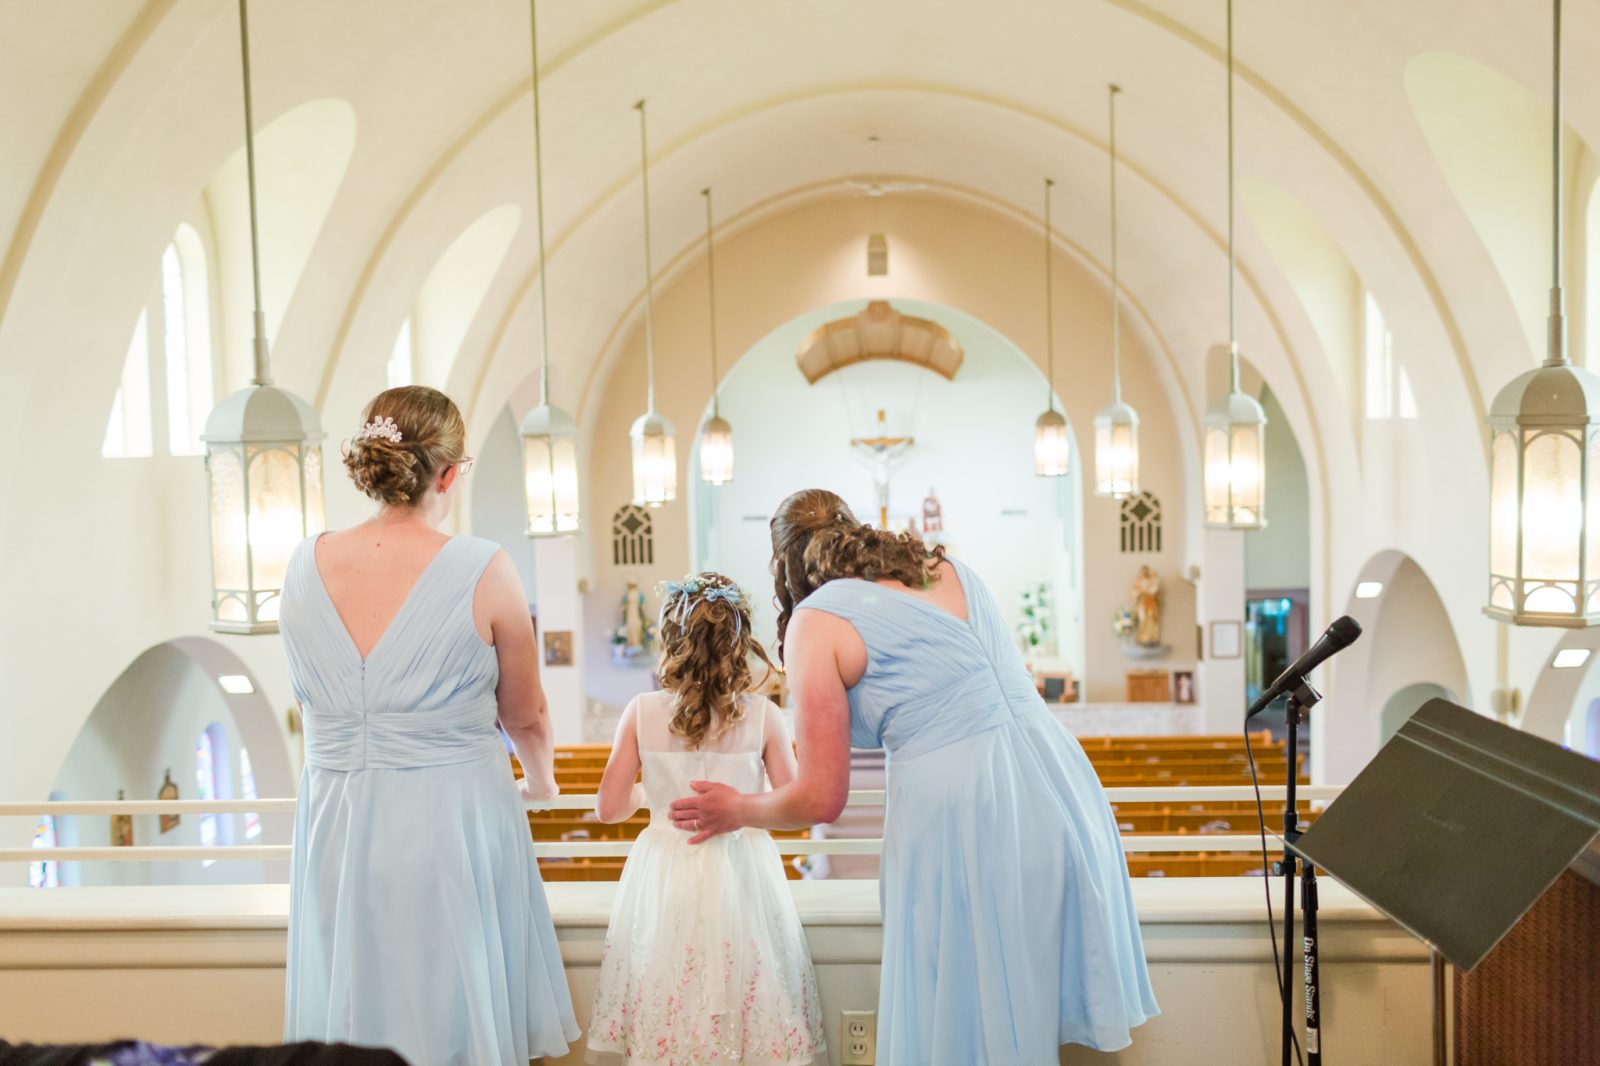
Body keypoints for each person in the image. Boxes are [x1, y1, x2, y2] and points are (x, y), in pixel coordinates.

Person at [669, 489, 1158, 1065]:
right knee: (1026, 1002)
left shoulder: (816, 621)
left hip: (966, 809)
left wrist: (737, 809)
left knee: (971, 1020)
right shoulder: (945, 568)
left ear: (785, 564)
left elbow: (822, 797)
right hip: (1062, 788)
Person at [278, 386, 578, 1066]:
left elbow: (307, 699)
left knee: (354, 1003)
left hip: (335, 825)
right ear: (448, 473)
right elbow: (525, 714)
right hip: (451, 821)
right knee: (449, 1004)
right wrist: (543, 782)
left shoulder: (301, 566)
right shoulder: (483, 567)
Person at [587, 573, 825, 1065]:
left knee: (670, 995)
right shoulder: (763, 715)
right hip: (742, 874)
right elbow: (795, 806)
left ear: (671, 640)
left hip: (666, 874)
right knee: (747, 993)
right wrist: (743, 806)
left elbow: (607, 809)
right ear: (739, 644)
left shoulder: (640, 711)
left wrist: (650, 790)